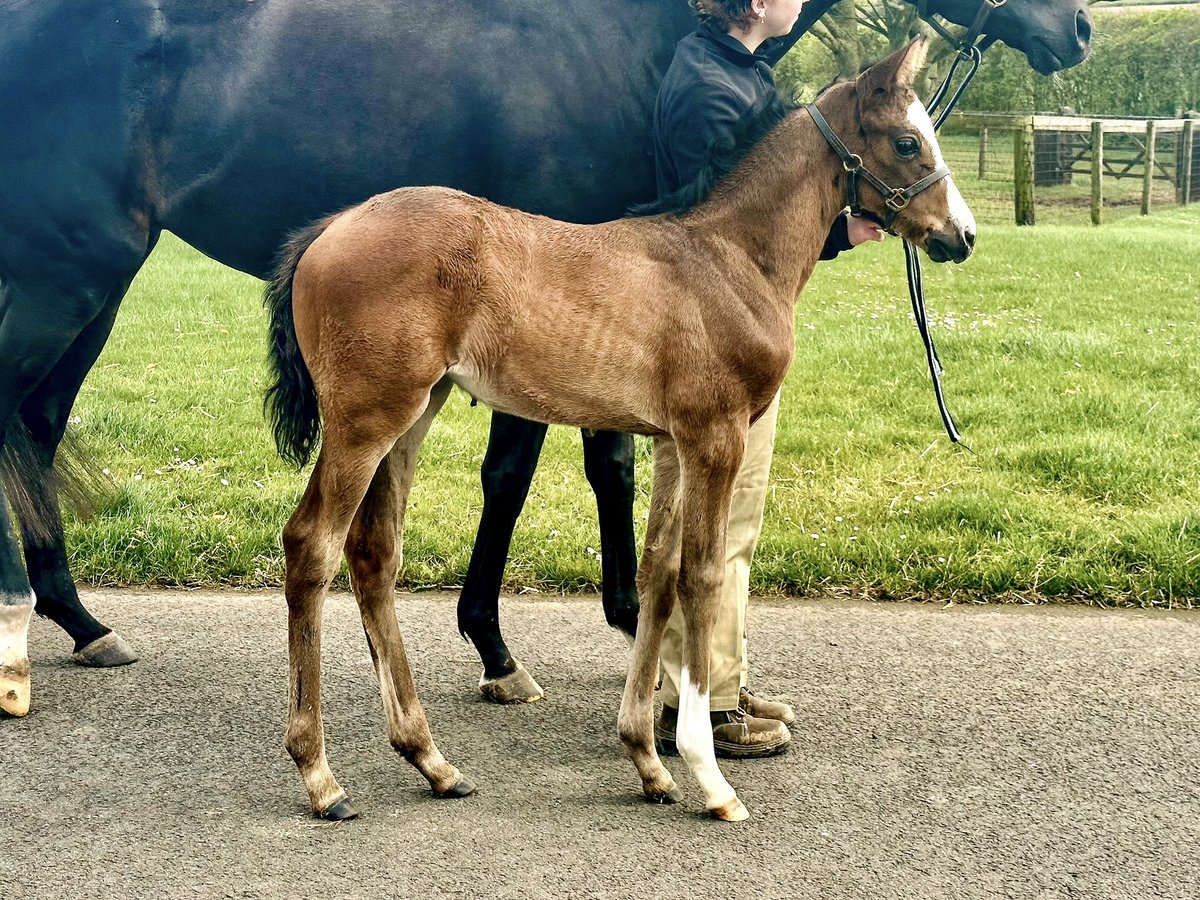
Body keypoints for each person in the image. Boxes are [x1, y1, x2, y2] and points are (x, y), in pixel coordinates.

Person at [653, 0, 884, 759]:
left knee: (733, 521)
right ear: (755, 2)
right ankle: (701, 704)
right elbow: (714, 228)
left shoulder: (735, 70)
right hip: (711, 344)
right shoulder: (709, 86)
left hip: (737, 330)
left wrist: (839, 229)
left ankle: (719, 677)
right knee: (706, 520)